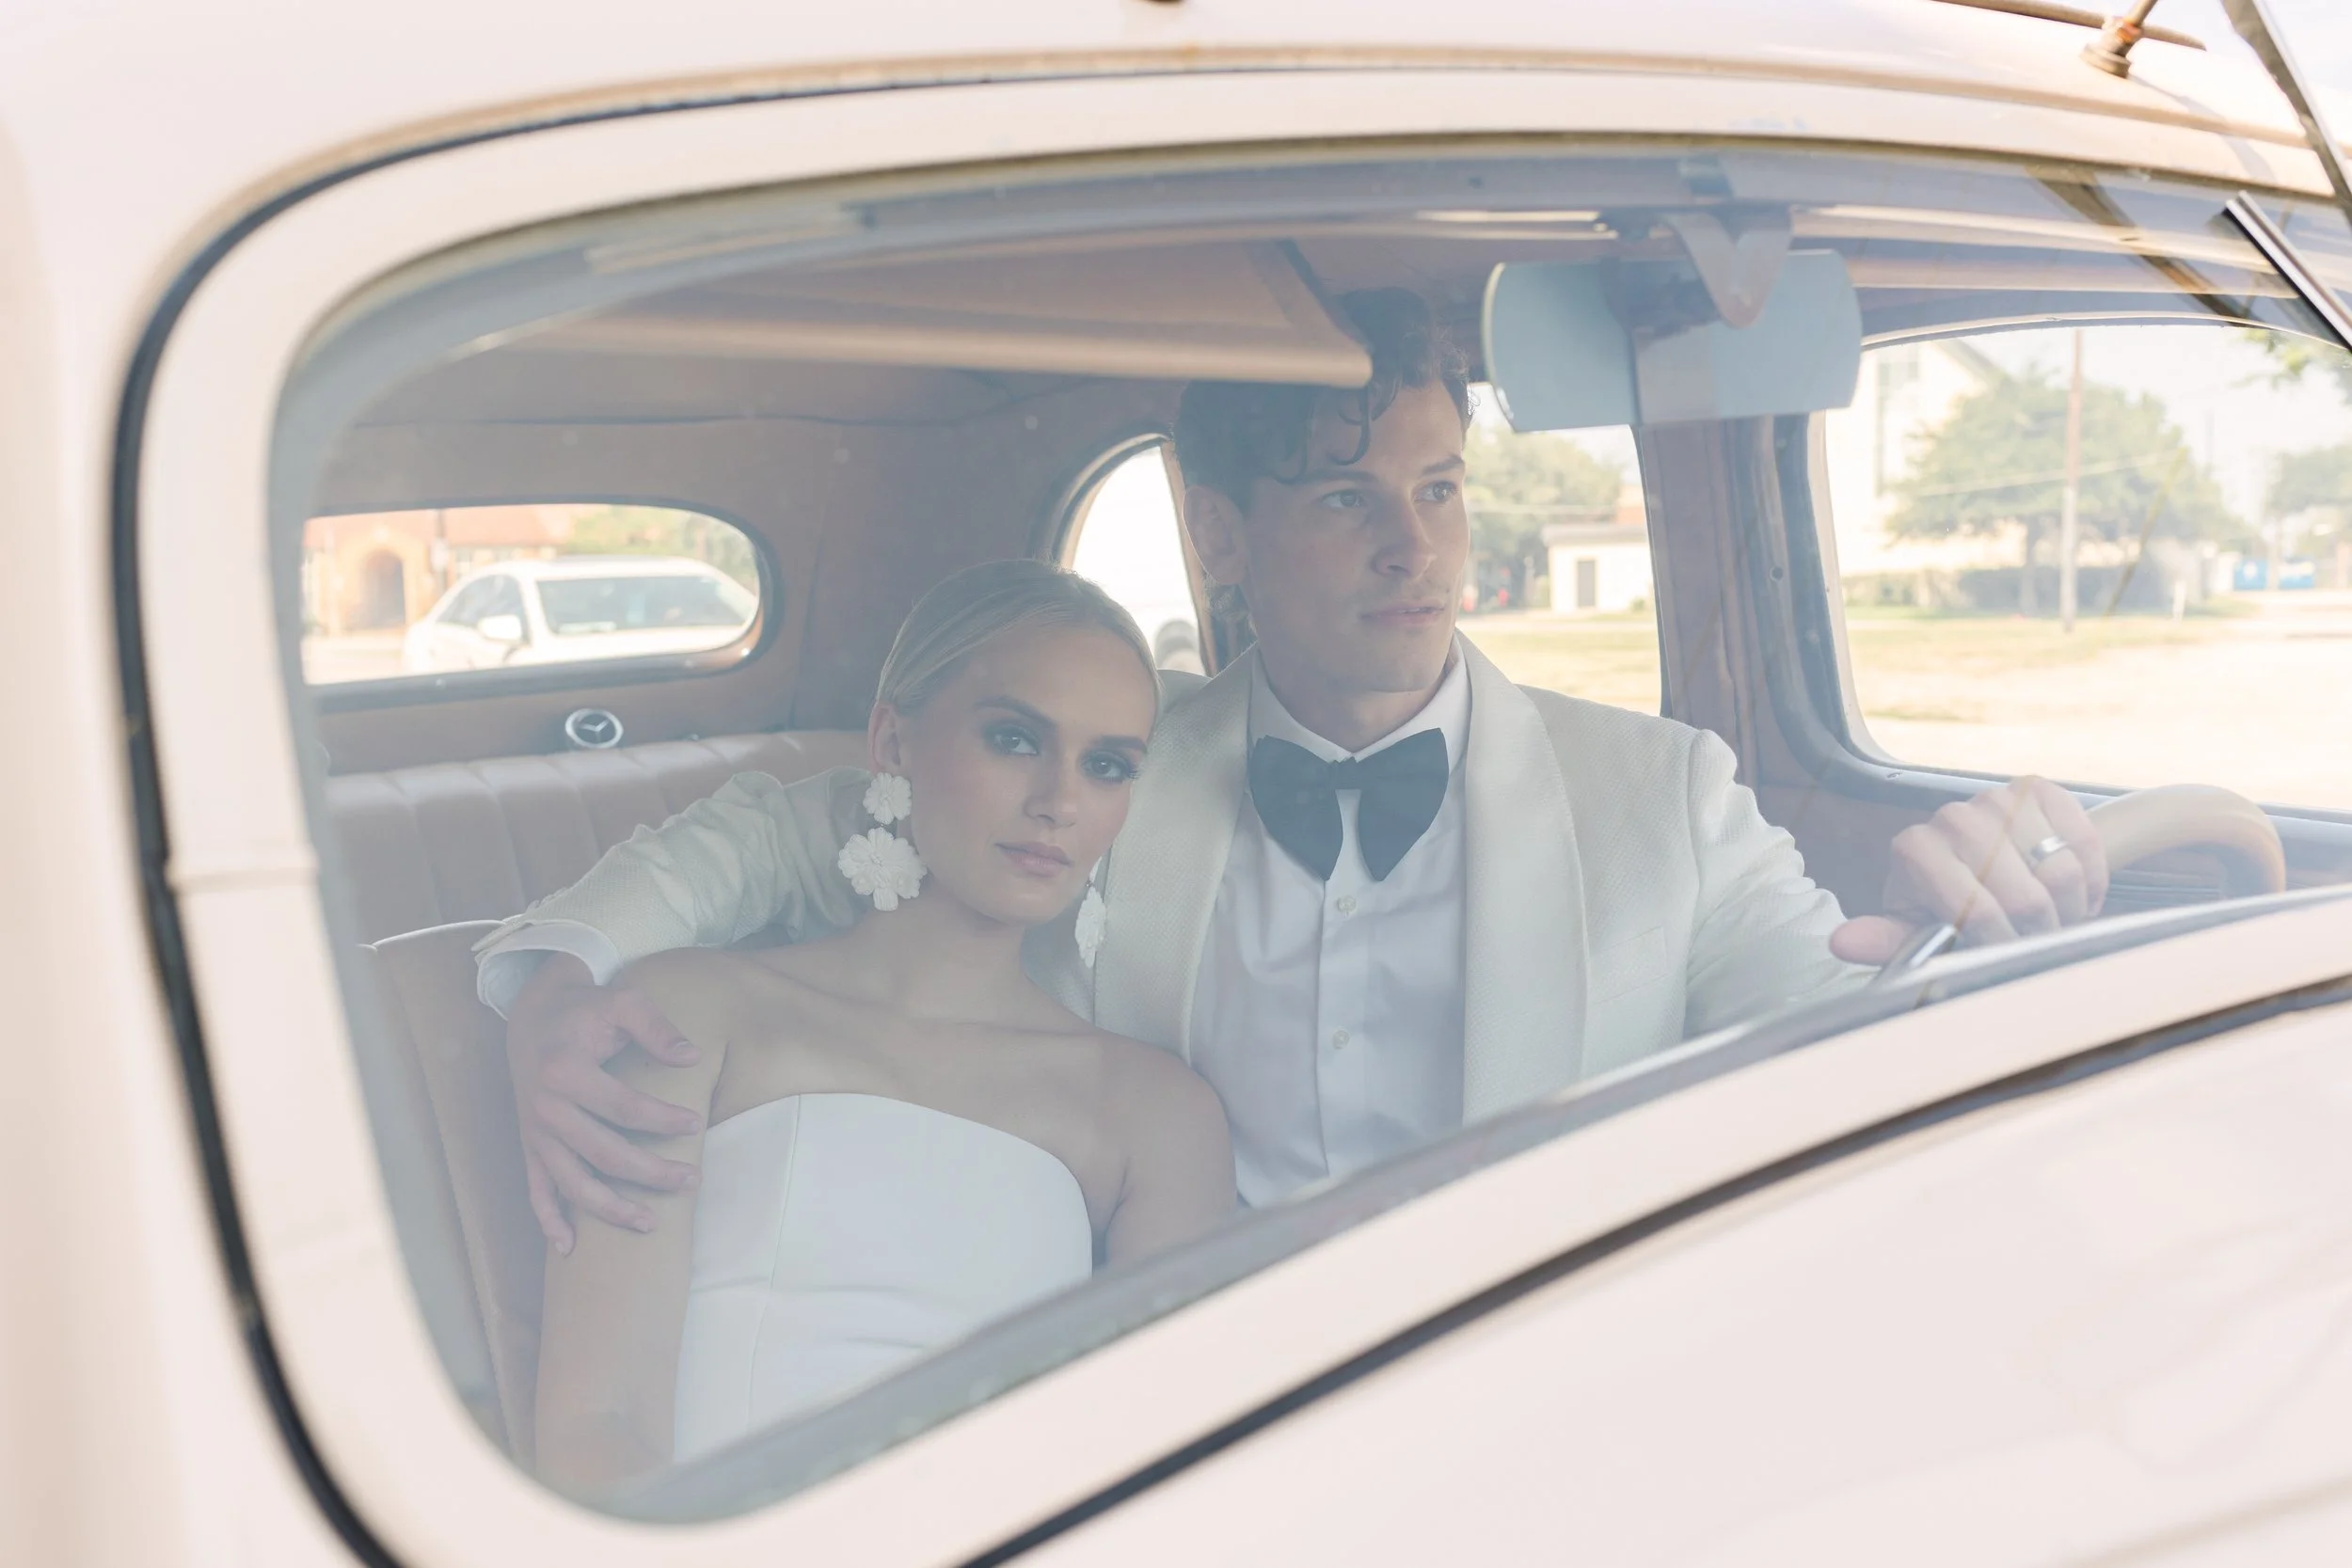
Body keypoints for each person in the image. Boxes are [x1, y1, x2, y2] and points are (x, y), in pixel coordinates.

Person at [481, 288, 2107, 1245]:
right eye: (1348, 498)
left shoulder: (1662, 793)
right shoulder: (1108, 774)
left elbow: (1831, 1022)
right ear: (1219, 536)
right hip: (1187, 1384)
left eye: (1442, 489)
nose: (1418, 548)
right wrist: (564, 978)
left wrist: (1980, 932)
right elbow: (788, 830)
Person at [530, 560, 1233, 1492]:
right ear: (893, 742)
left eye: (1106, 765)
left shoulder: (1160, 1113)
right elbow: (596, 1426)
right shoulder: (686, 1018)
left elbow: (1162, 1469)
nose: (1060, 800)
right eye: (1014, 738)